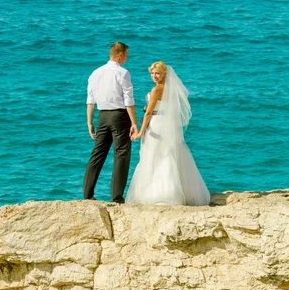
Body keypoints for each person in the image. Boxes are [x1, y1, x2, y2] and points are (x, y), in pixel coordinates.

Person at [127, 61, 210, 206]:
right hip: (167, 123)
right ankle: (184, 192)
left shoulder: (156, 90)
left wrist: (140, 132)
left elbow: (148, 114)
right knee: (170, 153)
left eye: (157, 73)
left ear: (164, 74)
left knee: (155, 155)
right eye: (152, 73)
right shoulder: (171, 89)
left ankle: (159, 192)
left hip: (156, 124)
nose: (154, 76)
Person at [83, 42, 138, 203]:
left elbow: (90, 101)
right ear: (120, 55)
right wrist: (134, 123)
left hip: (102, 116)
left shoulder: (95, 73)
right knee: (121, 154)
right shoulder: (123, 73)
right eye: (126, 55)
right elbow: (128, 100)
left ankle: (87, 194)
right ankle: (117, 196)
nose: (126, 58)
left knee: (97, 154)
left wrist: (89, 122)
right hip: (119, 116)